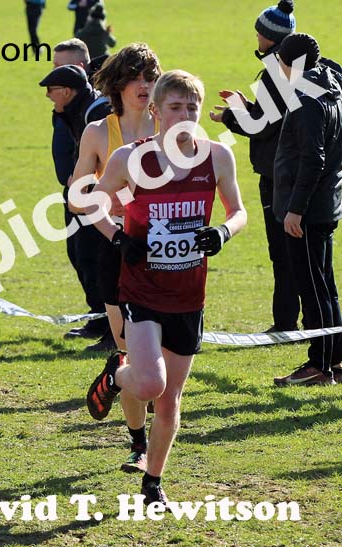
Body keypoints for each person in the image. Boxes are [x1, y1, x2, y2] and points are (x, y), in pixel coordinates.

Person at [80, 70, 247, 505]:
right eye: (175, 107)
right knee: (150, 384)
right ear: (155, 111)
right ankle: (117, 376)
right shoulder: (131, 159)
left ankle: (153, 482)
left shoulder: (216, 157)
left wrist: (223, 232)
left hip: (189, 295)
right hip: (141, 290)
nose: (186, 115)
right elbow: (90, 201)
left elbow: (239, 211)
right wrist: (117, 237)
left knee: (170, 399)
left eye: (192, 107)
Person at [69, 43, 161, 473]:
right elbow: (76, 197)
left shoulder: (169, 125)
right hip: (116, 246)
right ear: (118, 85)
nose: (144, 86)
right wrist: (110, 214)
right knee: (129, 351)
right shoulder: (99, 132)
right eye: (135, 78)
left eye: (150, 78)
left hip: (164, 247)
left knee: (160, 351)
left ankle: (131, 399)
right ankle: (137, 445)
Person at [209, 0, 299, 333]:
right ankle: (302, 322)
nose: (256, 38)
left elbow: (261, 126)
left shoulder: (277, 72)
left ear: (269, 37)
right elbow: (273, 115)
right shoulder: (297, 66)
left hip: (279, 176)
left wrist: (229, 116)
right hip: (294, 173)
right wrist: (243, 105)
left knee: (284, 253)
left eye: (259, 33)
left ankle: (287, 323)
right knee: (297, 254)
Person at [272, 34, 342, 386]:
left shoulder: (305, 98)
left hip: (308, 211)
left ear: (291, 63)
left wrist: (295, 209)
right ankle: (336, 358)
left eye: (280, 62)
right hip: (326, 203)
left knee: (313, 289)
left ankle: (320, 365)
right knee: (325, 285)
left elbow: (313, 158)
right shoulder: (331, 85)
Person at [40, 63, 110, 341]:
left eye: (51, 90)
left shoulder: (95, 112)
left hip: (95, 197)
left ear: (67, 91)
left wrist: (86, 183)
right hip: (78, 194)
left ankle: (111, 327)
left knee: (94, 259)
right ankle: (98, 318)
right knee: (80, 255)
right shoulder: (70, 111)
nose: (48, 95)